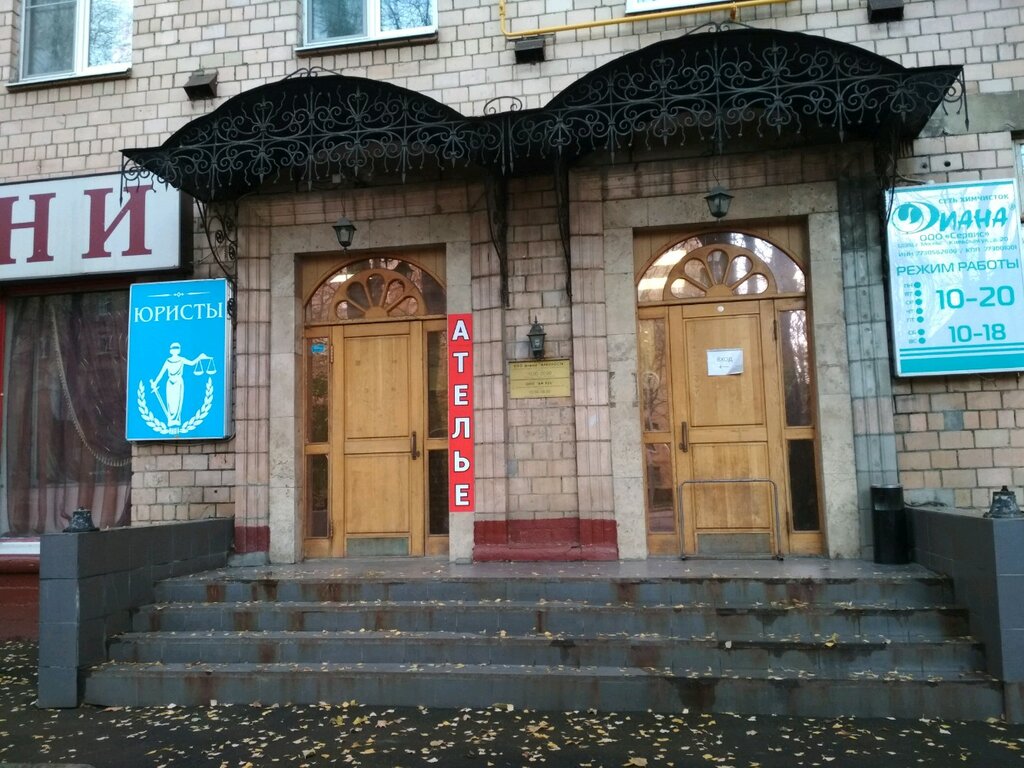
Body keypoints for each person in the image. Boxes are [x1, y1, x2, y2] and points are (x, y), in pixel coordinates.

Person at [150, 342, 208, 427]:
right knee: (170, 402)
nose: (175, 350)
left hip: (178, 382)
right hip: (170, 383)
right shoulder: (168, 361)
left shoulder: (181, 359)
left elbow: (192, 363)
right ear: (170, 351)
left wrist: (199, 357)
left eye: (177, 348)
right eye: (173, 349)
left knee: (177, 401)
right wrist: (155, 382)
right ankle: (171, 420)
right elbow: (161, 373)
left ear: (179, 350)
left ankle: (176, 420)